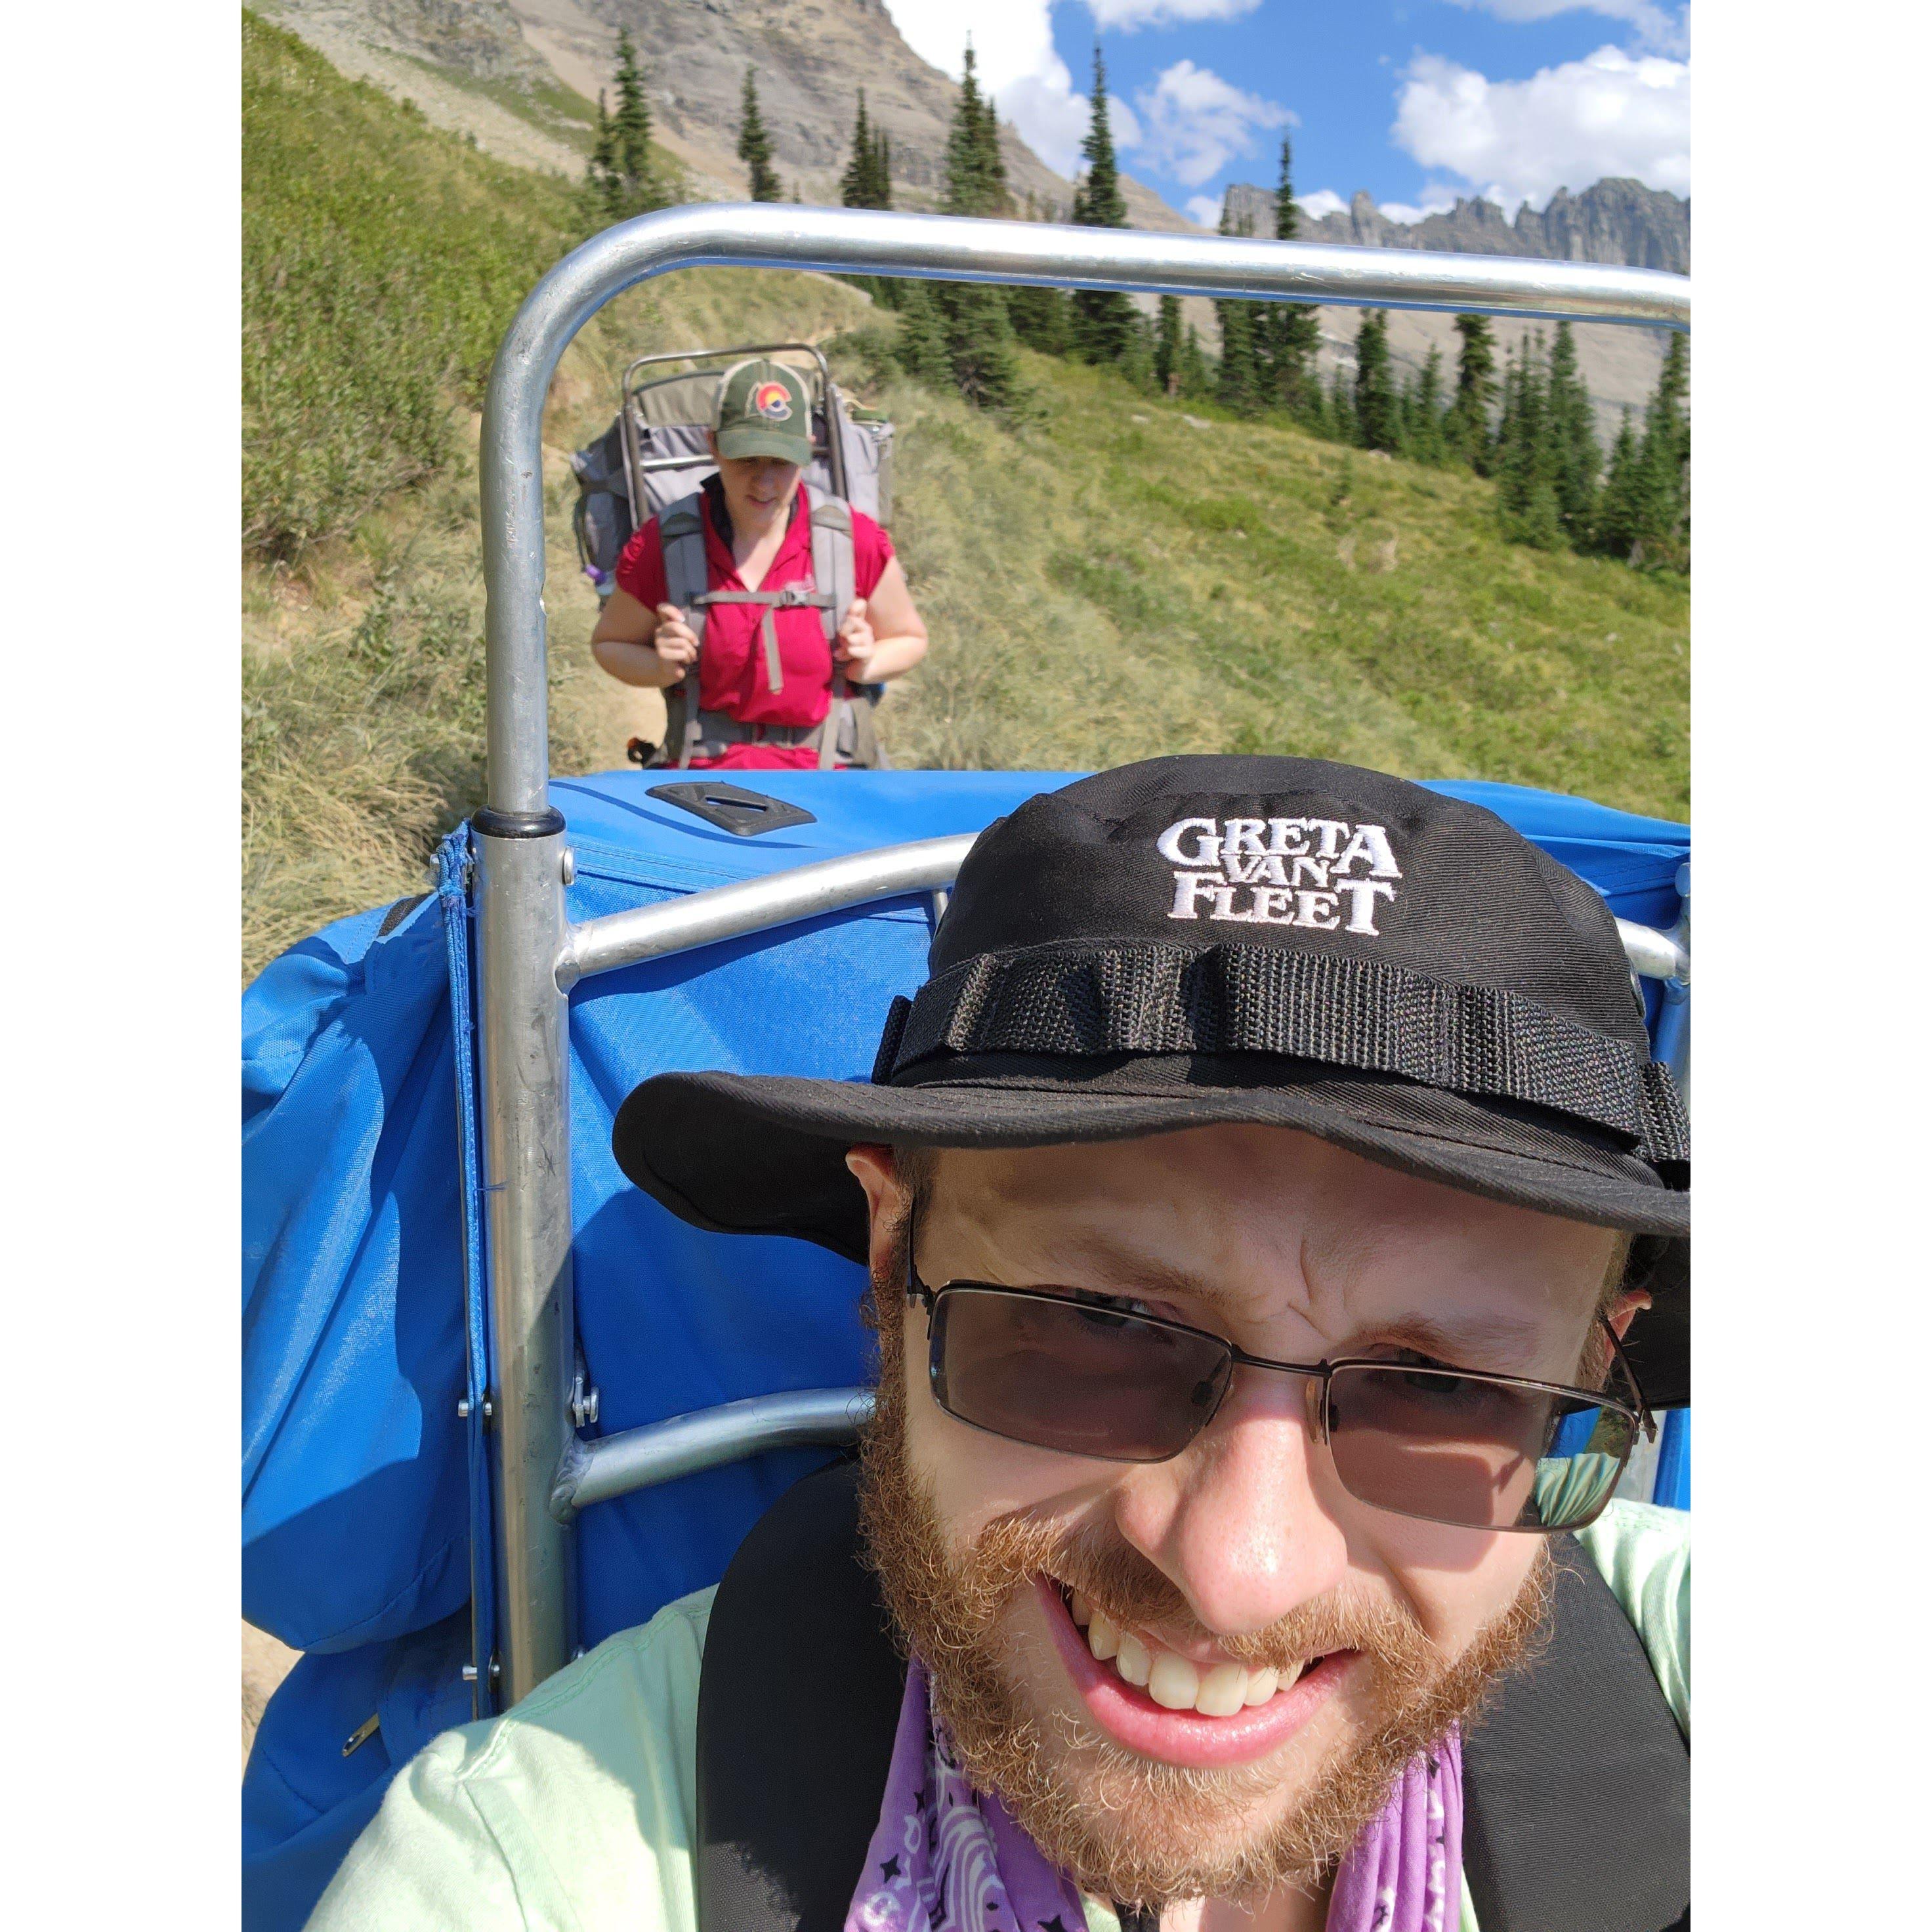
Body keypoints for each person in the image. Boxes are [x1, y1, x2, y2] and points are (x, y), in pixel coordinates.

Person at [308, 756, 1690, 1932]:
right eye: (1099, 1324)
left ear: (1592, 1368)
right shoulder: (522, 1867)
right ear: (891, 1252)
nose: (1233, 1574)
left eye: (1444, 1385)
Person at [590, 356, 927, 768]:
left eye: (781, 461)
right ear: (714, 445)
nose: (764, 482)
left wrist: (867, 660)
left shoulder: (851, 539)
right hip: (701, 780)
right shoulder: (666, 542)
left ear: (807, 450)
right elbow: (610, 645)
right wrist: (660, 666)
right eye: (746, 458)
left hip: (829, 776)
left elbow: (910, 639)